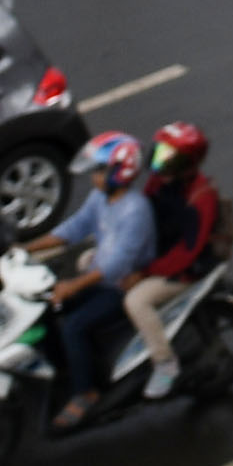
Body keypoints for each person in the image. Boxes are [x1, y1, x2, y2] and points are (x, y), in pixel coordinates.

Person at [30, 131, 157, 428]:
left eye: (100, 170)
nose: (95, 177)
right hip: (98, 277)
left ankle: (85, 392)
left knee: (74, 326)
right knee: (47, 308)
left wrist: (72, 286)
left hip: (121, 287)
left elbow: (116, 266)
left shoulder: (135, 210)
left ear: (119, 172)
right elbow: (73, 229)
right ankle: (66, 368)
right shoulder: (100, 198)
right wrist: (25, 248)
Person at [122, 121, 225, 400]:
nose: (159, 161)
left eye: (168, 157)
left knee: (137, 301)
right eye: (159, 153)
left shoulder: (200, 198)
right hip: (154, 255)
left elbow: (186, 253)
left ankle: (165, 363)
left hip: (181, 271)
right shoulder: (159, 183)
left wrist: (144, 273)